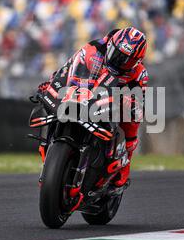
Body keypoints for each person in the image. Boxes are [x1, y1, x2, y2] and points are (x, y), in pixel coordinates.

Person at [37, 27, 149, 187]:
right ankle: (47, 151)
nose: (119, 61)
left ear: (136, 62)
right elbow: (67, 69)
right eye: (117, 55)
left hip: (110, 104)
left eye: (127, 60)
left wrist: (130, 102)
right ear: (111, 45)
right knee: (48, 101)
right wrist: (52, 82)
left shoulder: (139, 74)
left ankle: (125, 165)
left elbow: (139, 104)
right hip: (84, 95)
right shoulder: (93, 48)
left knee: (133, 118)